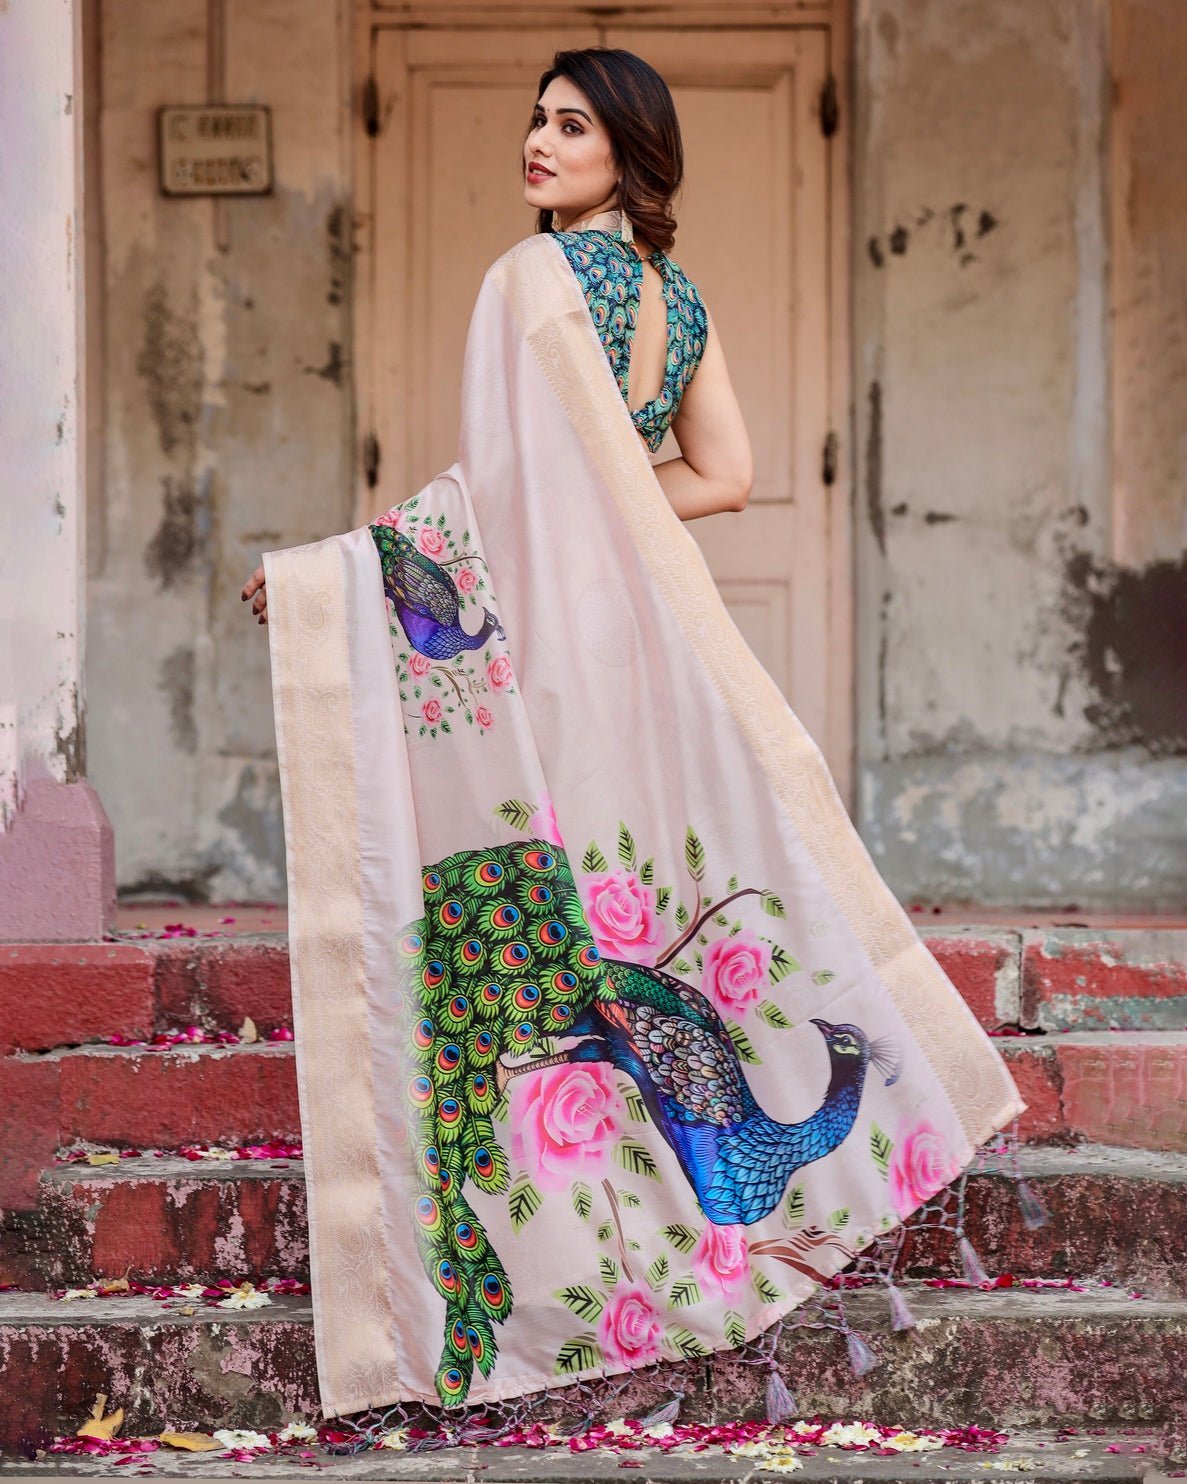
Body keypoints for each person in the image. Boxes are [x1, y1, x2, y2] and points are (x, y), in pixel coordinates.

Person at [242, 46, 753, 623]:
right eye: (539, 120)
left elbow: (487, 492)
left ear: (627, 156)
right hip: (637, 607)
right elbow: (725, 478)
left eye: (571, 127)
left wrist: (339, 573)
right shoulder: (684, 299)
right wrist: (601, 507)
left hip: (543, 608)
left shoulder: (538, 272)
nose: (538, 142)